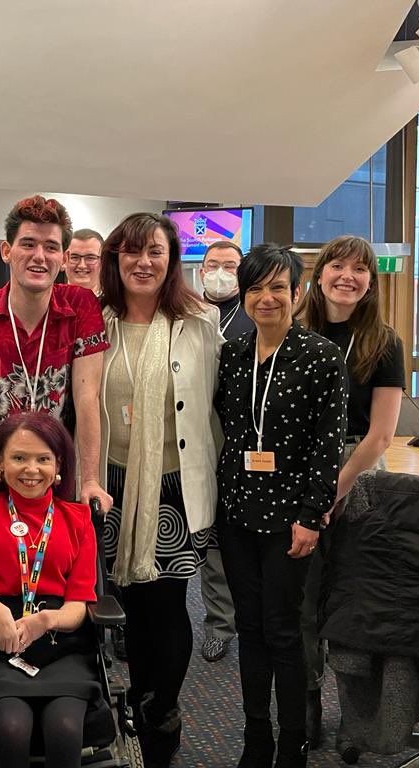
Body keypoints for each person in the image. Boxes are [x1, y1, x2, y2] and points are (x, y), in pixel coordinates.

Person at [97, 212, 223, 767]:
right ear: (116, 259)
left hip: (174, 485)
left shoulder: (199, 321)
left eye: (155, 252)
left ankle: (161, 708)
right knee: (128, 605)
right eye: (131, 251)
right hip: (110, 484)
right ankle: (141, 695)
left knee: (167, 604)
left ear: (171, 260)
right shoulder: (95, 321)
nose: (143, 262)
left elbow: (218, 402)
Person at [214, 243, 347, 768]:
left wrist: (312, 517)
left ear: (296, 292)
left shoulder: (320, 356)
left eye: (277, 288)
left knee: (283, 630)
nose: (266, 298)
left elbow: (327, 444)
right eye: (255, 289)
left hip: (291, 518)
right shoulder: (233, 355)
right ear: (244, 296)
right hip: (237, 513)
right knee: (249, 628)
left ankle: (293, 742)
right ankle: (256, 737)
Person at [296, 235, 404, 748]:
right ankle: (307, 700)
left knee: (358, 599)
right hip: (300, 470)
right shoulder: (295, 333)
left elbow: (380, 435)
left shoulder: (384, 342)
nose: (347, 276)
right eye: (337, 265)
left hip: (359, 470)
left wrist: (331, 492)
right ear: (319, 275)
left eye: (359, 269)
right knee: (303, 598)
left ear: (370, 282)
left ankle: (361, 716)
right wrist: (313, 495)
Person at [0, 195, 111, 514]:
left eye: (51, 247)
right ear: (7, 251)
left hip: (55, 477)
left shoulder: (81, 306)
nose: (39, 256)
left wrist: (90, 480)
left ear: (63, 258)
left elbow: (88, 396)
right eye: (28, 244)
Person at [0, 411, 98, 768]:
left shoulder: (78, 520)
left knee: (65, 728)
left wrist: (46, 620)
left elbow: (78, 604)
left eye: (43, 459)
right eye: (19, 457)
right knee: (12, 728)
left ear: (58, 464)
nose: (31, 469)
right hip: (0, 641)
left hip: (60, 643)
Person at [196, 240, 253, 664]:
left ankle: (255, 622)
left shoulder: (255, 315)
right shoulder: (187, 314)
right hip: (199, 441)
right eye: (212, 264)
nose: (220, 272)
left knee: (249, 539)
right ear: (201, 271)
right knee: (211, 541)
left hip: (246, 444)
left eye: (229, 266)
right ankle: (219, 624)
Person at [64, 228, 104, 294]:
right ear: (64, 260)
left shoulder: (116, 299)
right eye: (74, 257)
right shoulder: (48, 299)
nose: (82, 265)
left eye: (90, 258)